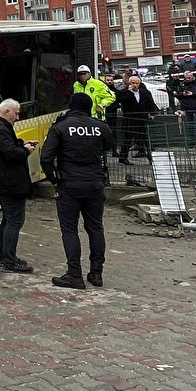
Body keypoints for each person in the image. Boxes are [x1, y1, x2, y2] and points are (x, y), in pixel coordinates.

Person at [39, 92, 113, 290]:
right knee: (95, 227)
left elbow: (45, 157)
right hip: (95, 182)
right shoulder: (100, 126)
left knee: (70, 229)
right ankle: (96, 272)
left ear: (71, 106)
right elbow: (109, 146)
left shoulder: (60, 127)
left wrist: (54, 177)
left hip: (69, 183)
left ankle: (74, 275)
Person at [0, 99, 37, 273]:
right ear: (6, 112)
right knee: (15, 220)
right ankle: (9, 259)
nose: (17, 117)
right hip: (9, 182)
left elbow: (6, 149)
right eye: (16, 113)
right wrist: (25, 150)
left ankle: (4, 256)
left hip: (2, 180)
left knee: (9, 218)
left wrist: (21, 144)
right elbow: (10, 154)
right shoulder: (0, 129)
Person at [117, 75, 157, 164]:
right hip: (129, 120)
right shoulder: (123, 92)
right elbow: (123, 102)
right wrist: (130, 93)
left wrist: (152, 113)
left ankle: (150, 158)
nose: (135, 85)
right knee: (127, 140)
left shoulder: (145, 92)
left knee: (145, 139)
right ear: (129, 83)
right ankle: (123, 157)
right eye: (133, 83)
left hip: (141, 119)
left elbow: (150, 103)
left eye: (137, 83)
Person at [171, 70, 196, 148]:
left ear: (192, 76)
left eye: (189, 77)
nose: (188, 79)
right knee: (190, 126)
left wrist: (193, 94)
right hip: (187, 108)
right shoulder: (182, 84)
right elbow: (178, 95)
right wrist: (182, 94)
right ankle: (191, 142)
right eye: (186, 78)